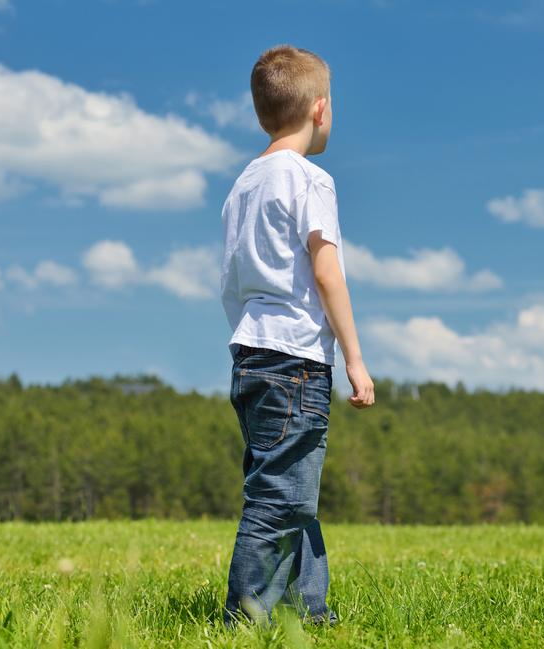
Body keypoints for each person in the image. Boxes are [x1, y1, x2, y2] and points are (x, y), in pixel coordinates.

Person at [220, 45, 375, 626]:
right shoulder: (310, 178)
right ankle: (247, 621)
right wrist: (355, 361)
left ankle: (309, 615)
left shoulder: (243, 185)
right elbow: (327, 269)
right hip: (296, 358)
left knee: (293, 494)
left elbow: (232, 278)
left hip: (251, 351)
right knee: (278, 500)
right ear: (320, 109)